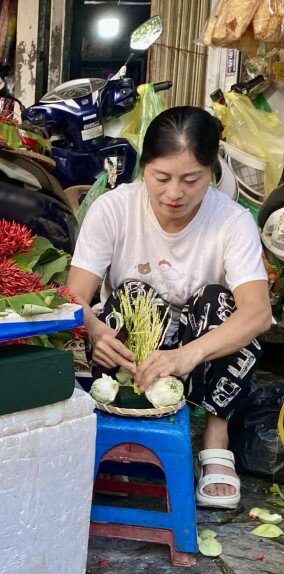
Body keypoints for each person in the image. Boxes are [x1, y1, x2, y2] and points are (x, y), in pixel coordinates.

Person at [67, 106, 271, 510]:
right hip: (132, 352)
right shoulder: (113, 209)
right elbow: (73, 298)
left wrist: (185, 356)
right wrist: (94, 330)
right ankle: (126, 424)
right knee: (135, 295)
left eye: (190, 179)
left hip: (200, 355)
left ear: (211, 172)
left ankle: (215, 442)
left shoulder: (232, 221)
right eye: (161, 178)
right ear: (144, 168)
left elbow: (258, 312)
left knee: (220, 301)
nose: (173, 193)